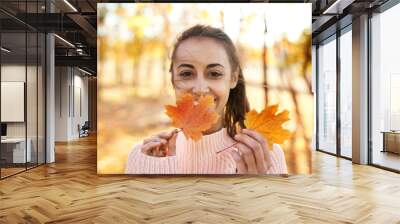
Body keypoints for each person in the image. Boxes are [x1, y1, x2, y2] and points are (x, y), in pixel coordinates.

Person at [125, 24, 288, 174]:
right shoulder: (142, 156)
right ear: (173, 80)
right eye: (186, 74)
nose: (201, 89)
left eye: (214, 74)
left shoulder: (267, 155)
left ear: (233, 78)